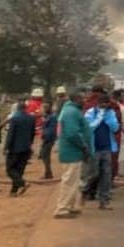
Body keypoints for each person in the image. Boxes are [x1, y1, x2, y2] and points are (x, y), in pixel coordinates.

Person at [53, 91, 91, 219]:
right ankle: (62, 209)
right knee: (69, 181)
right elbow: (72, 133)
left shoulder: (71, 110)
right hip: (72, 152)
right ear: (77, 99)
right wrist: (84, 146)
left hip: (74, 152)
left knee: (74, 181)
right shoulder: (71, 112)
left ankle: (70, 206)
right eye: (83, 98)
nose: (85, 101)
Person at [83, 94, 119, 209]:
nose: (105, 107)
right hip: (94, 148)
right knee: (94, 174)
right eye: (102, 105)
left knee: (106, 175)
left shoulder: (111, 113)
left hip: (107, 147)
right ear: (98, 103)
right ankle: (85, 191)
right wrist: (99, 116)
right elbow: (89, 128)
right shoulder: (90, 113)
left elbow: (115, 128)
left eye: (107, 105)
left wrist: (108, 118)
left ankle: (103, 201)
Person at [4, 100, 36, 197]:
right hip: (26, 148)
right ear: (26, 108)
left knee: (10, 170)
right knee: (19, 170)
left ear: (17, 108)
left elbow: (10, 135)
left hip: (15, 148)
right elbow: (32, 133)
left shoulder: (14, 119)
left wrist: (6, 147)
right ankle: (13, 191)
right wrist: (29, 144)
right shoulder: (31, 118)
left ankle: (23, 183)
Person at [38, 101, 58, 180]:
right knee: (45, 156)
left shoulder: (51, 117)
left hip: (48, 139)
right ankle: (48, 172)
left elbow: (50, 130)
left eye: (42, 109)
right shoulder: (50, 117)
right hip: (48, 138)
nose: (40, 110)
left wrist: (44, 136)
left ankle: (48, 173)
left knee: (45, 156)